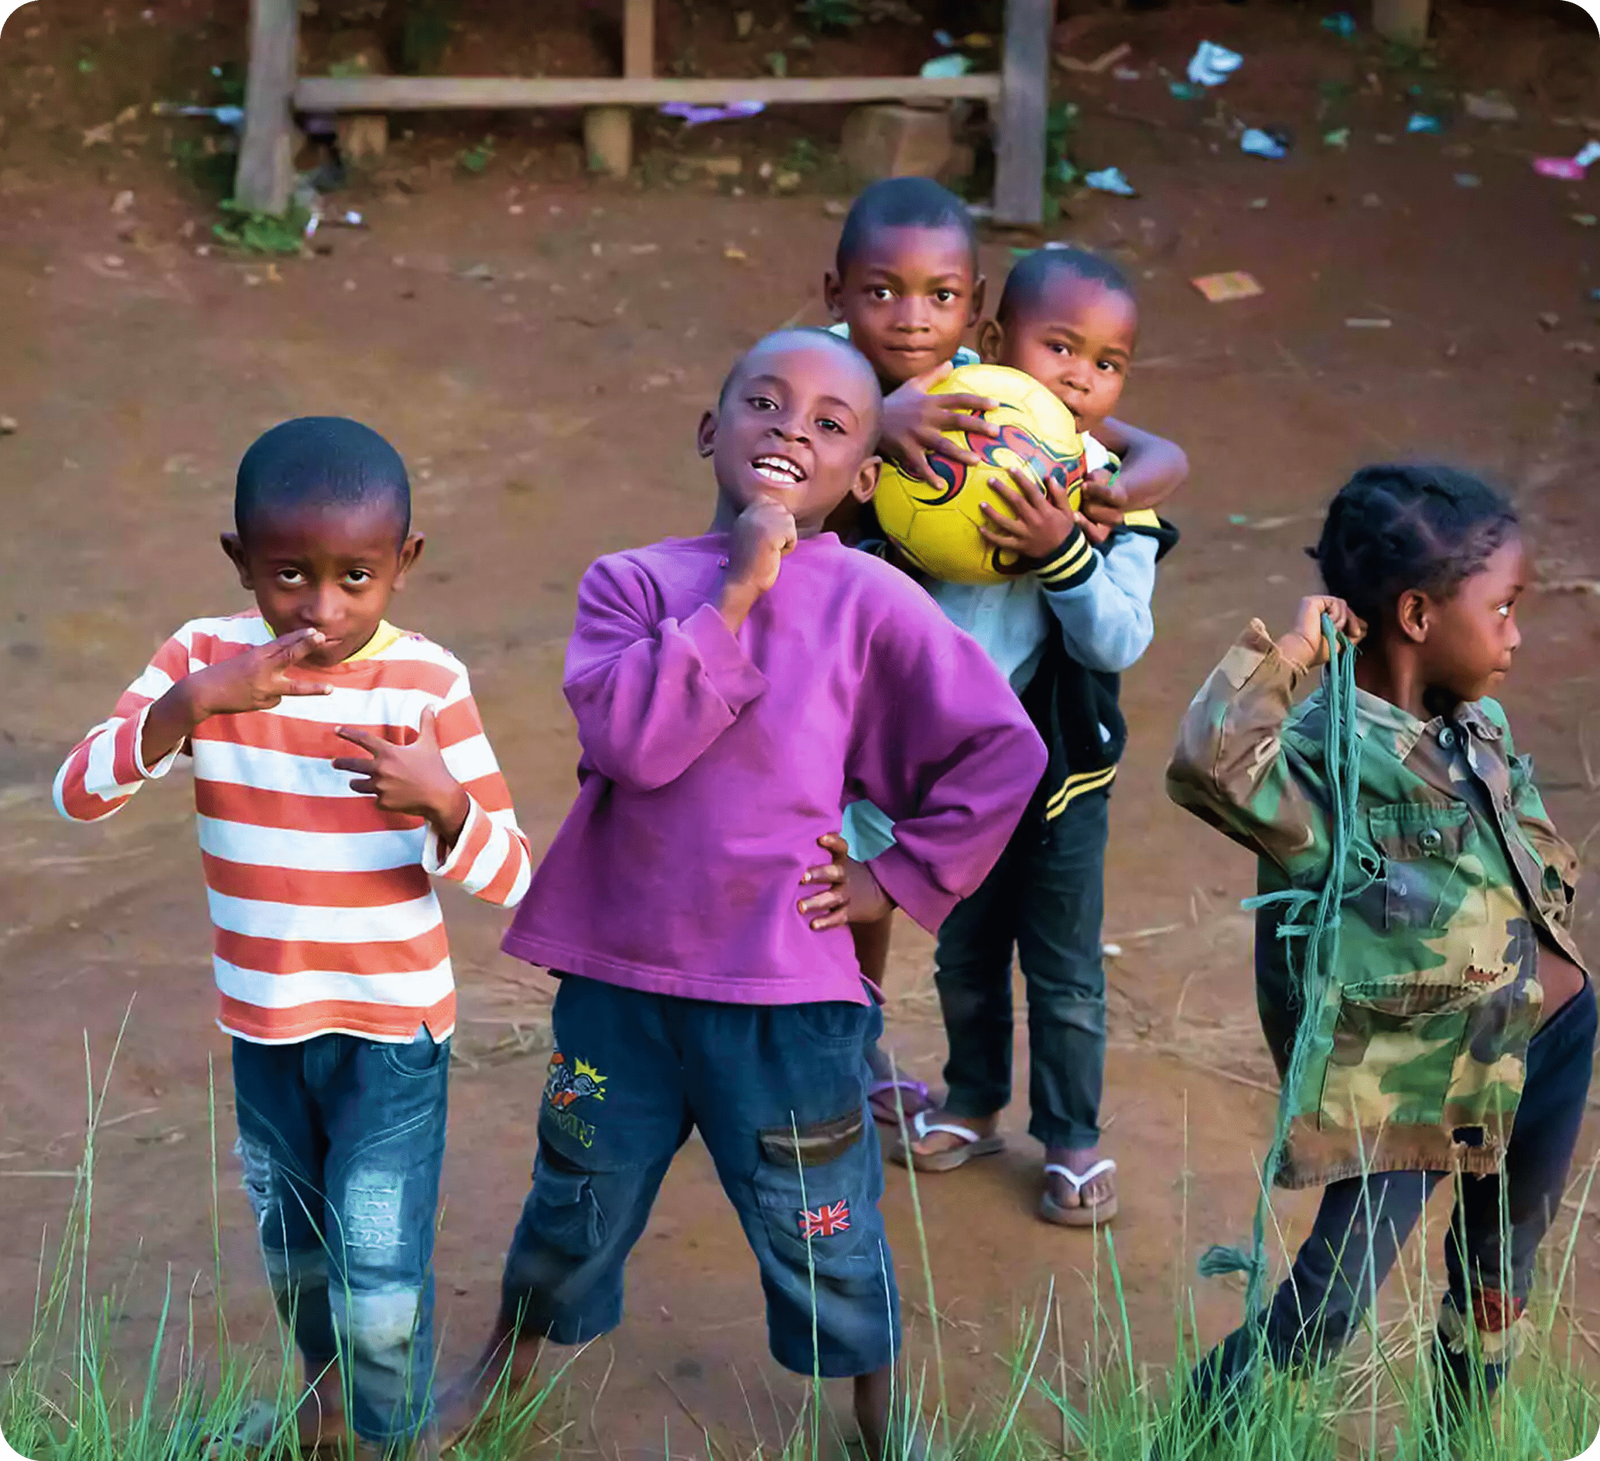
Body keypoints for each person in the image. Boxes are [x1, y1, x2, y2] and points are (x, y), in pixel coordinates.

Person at [448, 329, 1046, 1457]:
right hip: (621, 985)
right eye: (765, 404)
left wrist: (897, 874)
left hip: (786, 996)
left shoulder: (870, 600)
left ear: (864, 479)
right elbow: (634, 744)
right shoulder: (632, 583)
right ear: (708, 430)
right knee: (574, 1189)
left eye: (831, 423)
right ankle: (503, 1366)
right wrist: (736, 589)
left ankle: (876, 1414)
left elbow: (999, 749)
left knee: (821, 1220)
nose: (791, 431)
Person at [53, 418, 532, 1460]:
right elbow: (76, 794)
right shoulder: (203, 658)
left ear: (404, 560)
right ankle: (322, 1415)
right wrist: (187, 708)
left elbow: (514, 874)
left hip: (391, 1032)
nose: (321, 608)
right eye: (288, 575)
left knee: (378, 1270)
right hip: (265, 1025)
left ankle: (392, 1436)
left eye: (356, 576)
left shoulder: (429, 684)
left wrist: (444, 803)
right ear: (241, 561)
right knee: (295, 1253)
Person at [1165, 465, 1592, 1438]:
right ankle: (1191, 1443)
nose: (1517, 635)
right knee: (1329, 1299)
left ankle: (1457, 1439)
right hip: (1408, 1077)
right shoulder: (1322, 756)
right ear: (1416, 613)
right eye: (1503, 608)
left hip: (1547, 1040)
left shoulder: (1476, 720)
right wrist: (1293, 655)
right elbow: (1206, 764)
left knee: (1498, 1279)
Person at [890, 247, 1185, 1232]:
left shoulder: (1113, 495)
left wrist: (1064, 555)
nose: (1080, 377)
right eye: (1059, 347)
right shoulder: (945, 441)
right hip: (955, 779)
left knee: (1063, 971)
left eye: (1107, 363)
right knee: (965, 954)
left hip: (1064, 782)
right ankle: (972, 1102)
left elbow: (1120, 639)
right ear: (991, 341)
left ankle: (1069, 1138)